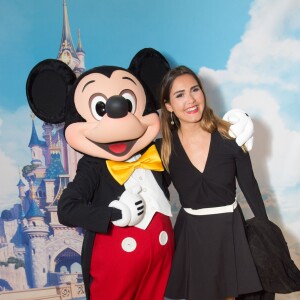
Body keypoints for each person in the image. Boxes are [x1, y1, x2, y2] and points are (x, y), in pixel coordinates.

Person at [159, 65, 268, 300]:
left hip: (229, 230)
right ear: (168, 105)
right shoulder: (163, 150)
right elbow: (155, 194)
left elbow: (250, 187)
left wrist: (268, 235)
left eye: (194, 90)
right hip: (192, 235)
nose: (190, 100)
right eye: (179, 95)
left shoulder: (230, 137)